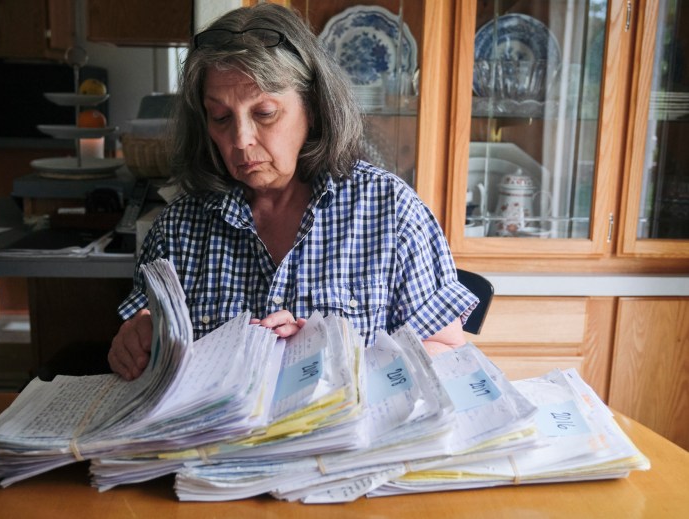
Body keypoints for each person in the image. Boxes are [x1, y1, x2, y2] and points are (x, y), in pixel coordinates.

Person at [108, 3, 478, 381]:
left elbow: (448, 351)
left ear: (313, 107)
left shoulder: (389, 210)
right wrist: (135, 342)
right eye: (220, 118)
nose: (241, 139)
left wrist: (336, 362)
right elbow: (145, 339)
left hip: (346, 437)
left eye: (265, 113)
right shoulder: (179, 227)